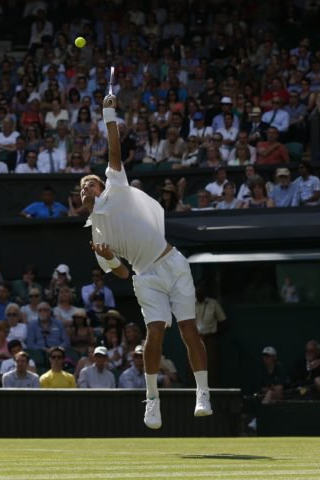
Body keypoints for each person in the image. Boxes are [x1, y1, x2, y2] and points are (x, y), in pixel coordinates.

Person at [80, 92, 211, 429]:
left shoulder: (117, 185)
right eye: (82, 188)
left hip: (173, 264)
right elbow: (122, 274)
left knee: (188, 330)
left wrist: (109, 115)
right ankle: (152, 400)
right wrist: (110, 257)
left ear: (102, 186)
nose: (86, 188)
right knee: (155, 333)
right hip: (144, 276)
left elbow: (113, 149)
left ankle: (202, 392)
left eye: (91, 183)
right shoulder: (96, 236)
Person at [194, 284, 227, 388]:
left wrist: (212, 334)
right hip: (195, 340)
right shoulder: (190, 303)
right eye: (197, 292)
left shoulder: (213, 304)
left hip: (209, 339)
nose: (199, 294)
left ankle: (213, 390)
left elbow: (224, 322)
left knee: (212, 366)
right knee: (193, 365)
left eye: (201, 292)